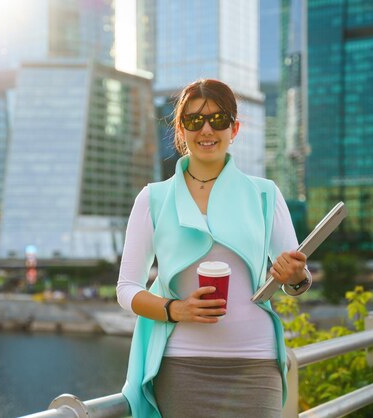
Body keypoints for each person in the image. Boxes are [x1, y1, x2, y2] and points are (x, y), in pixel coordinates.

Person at [116, 79, 311, 418]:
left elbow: (297, 279)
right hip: (182, 364)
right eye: (194, 120)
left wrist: (294, 276)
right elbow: (126, 289)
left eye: (218, 120)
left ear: (234, 128)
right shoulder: (153, 199)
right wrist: (174, 309)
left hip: (255, 362)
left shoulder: (265, 194)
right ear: (181, 130)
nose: (206, 129)